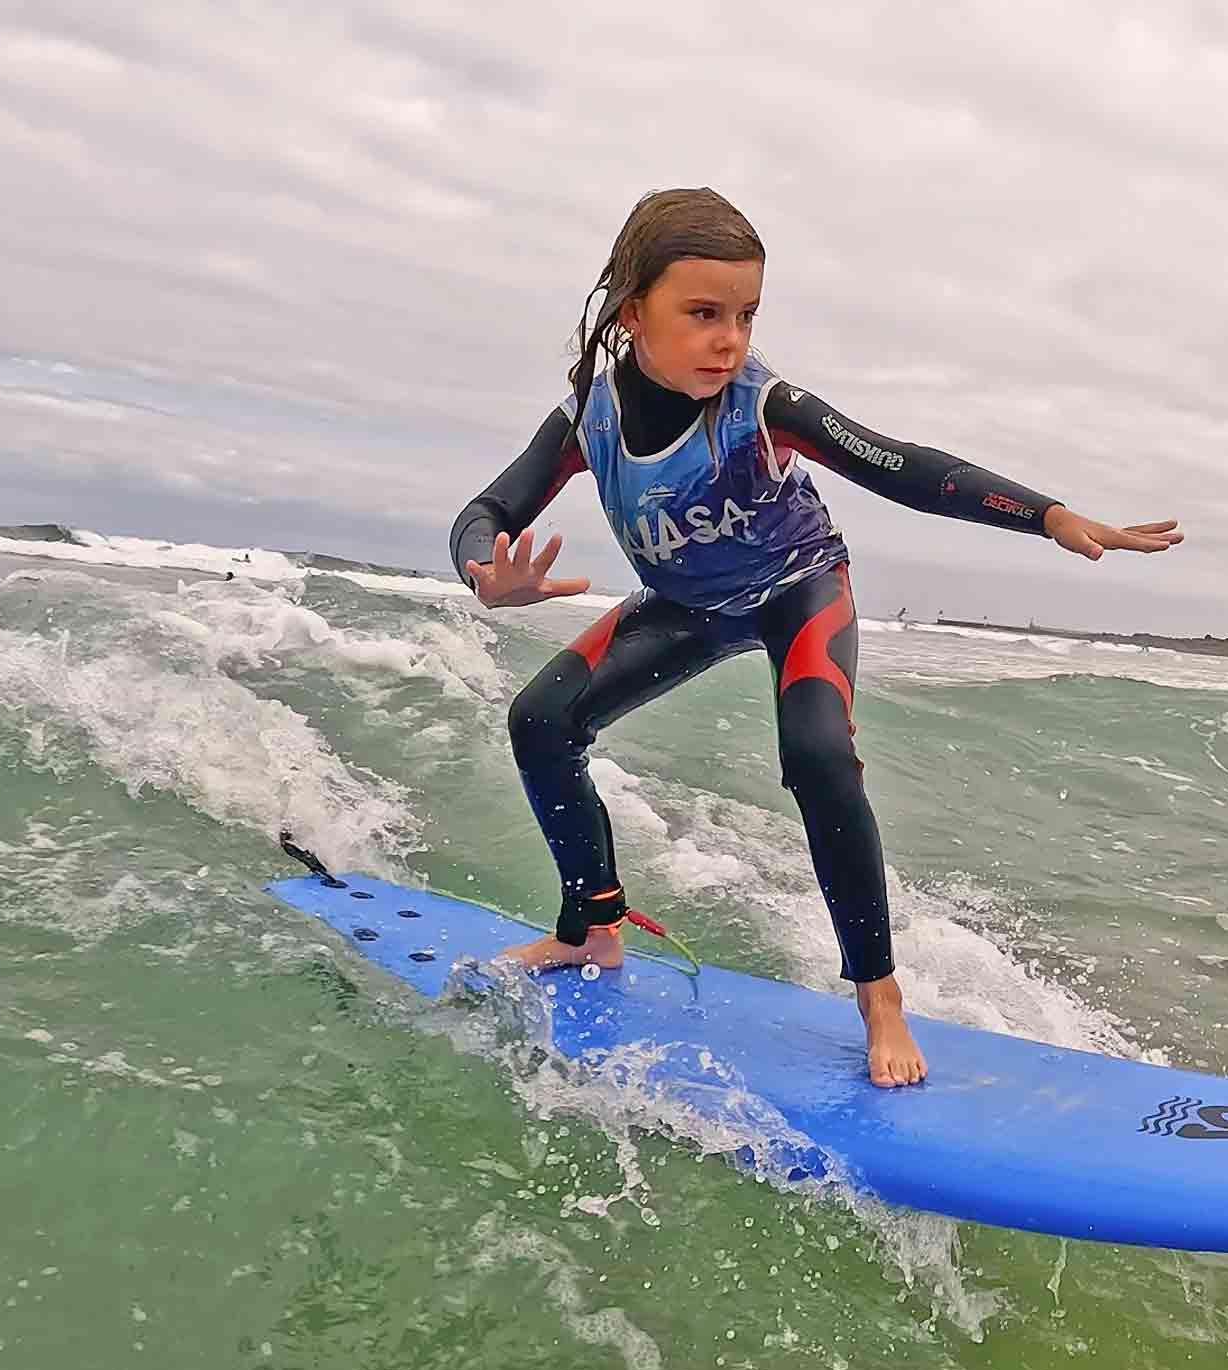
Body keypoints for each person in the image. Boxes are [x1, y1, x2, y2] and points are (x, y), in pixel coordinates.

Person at [449, 188, 1182, 1087]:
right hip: (686, 604)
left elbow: (908, 469)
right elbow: (488, 510)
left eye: (746, 315)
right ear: (635, 312)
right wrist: (488, 572)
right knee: (541, 721)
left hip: (799, 591)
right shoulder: (587, 418)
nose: (730, 339)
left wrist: (1049, 516)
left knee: (819, 754)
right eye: (704, 314)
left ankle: (879, 996)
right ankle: (592, 928)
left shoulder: (765, 407)